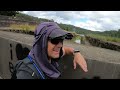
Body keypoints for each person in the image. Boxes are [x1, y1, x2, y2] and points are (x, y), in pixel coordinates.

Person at [11, 22, 88, 79]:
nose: (60, 45)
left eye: (61, 40)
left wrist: (76, 53)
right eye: (55, 40)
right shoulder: (27, 73)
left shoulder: (49, 56)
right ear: (42, 42)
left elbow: (66, 50)